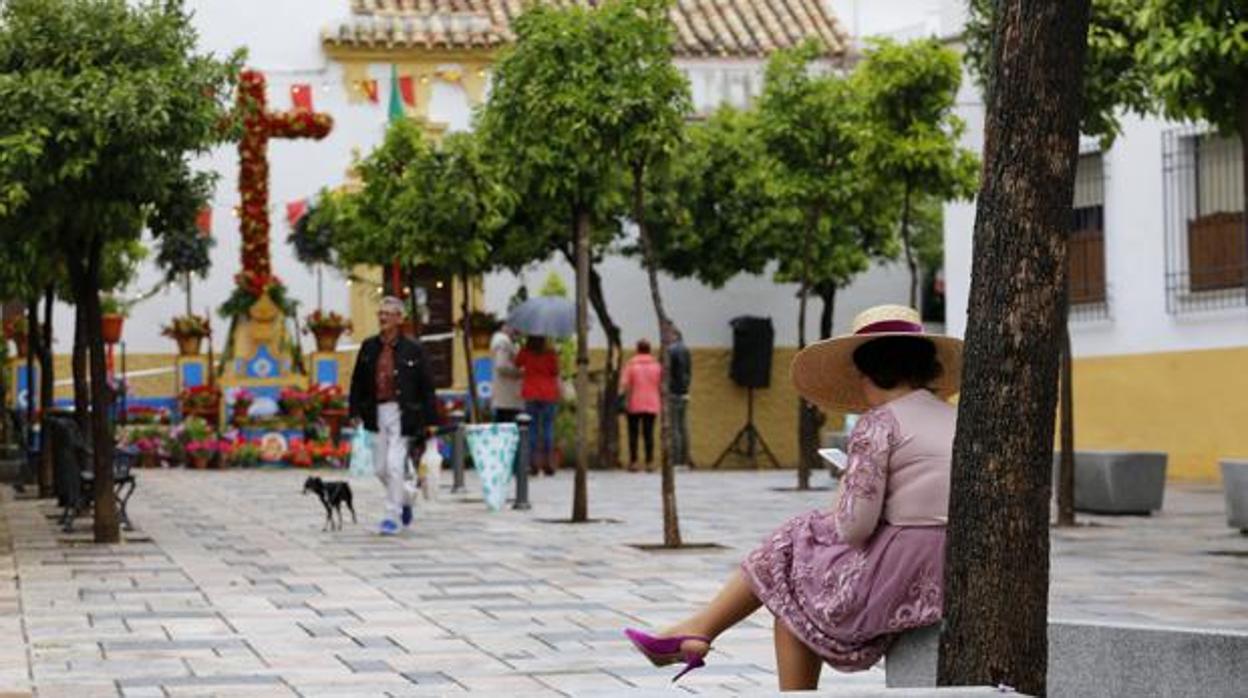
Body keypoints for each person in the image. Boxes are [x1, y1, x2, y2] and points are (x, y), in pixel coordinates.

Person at [624, 304, 963, 690]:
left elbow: (855, 527)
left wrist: (845, 488)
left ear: (868, 372)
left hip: (904, 569)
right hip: (949, 562)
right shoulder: (953, 417)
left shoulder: (880, 423)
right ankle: (699, 630)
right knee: (792, 608)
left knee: (794, 539)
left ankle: (700, 629)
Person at [348, 296, 440, 536]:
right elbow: (357, 381)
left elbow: (427, 387)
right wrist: (354, 410)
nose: (383, 317)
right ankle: (407, 497)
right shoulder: (369, 346)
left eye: (388, 313)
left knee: (395, 464)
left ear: (400, 318)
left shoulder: (414, 349)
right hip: (375, 412)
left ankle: (392, 516)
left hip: (403, 413)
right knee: (380, 468)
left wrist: (431, 422)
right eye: (380, 313)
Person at [514, 335, 560, 476]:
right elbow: (555, 371)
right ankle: (548, 463)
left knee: (531, 429)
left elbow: (517, 363)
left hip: (531, 393)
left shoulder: (526, 352)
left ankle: (532, 463)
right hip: (548, 393)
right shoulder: (550, 353)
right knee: (548, 428)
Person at [620, 338, 662, 472]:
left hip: (634, 403)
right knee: (648, 433)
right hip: (652, 403)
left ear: (637, 349)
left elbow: (624, 384)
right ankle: (649, 462)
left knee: (633, 434)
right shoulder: (657, 366)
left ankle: (634, 462)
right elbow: (662, 384)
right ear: (649, 350)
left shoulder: (631, 365)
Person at [666, 326, 693, 468]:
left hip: (674, 392)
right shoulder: (686, 350)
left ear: (675, 335)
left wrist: (668, 389)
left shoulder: (671, 351)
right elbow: (687, 372)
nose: (666, 338)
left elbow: (669, 373)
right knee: (683, 427)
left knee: (674, 428)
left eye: (668, 335)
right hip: (684, 392)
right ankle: (685, 459)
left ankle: (676, 461)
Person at [489, 323, 524, 423]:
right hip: (507, 395)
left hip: (506, 396)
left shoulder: (507, 342)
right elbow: (502, 366)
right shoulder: (503, 342)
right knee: (507, 426)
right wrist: (520, 372)